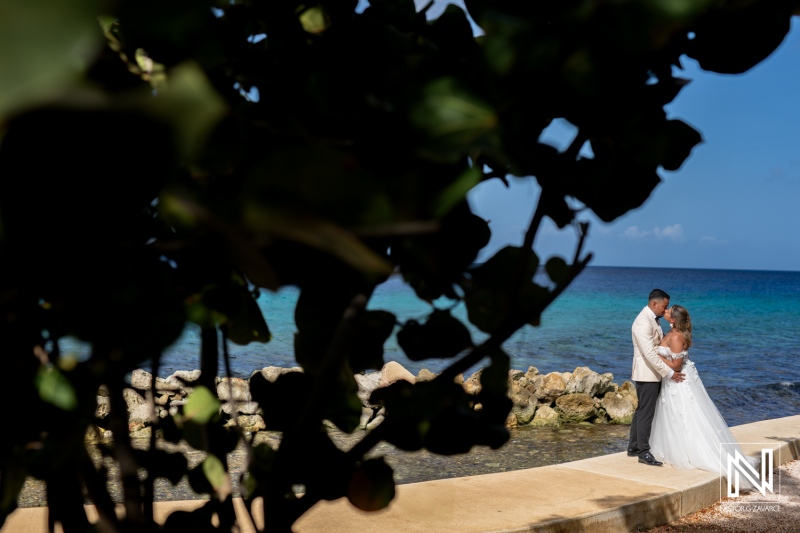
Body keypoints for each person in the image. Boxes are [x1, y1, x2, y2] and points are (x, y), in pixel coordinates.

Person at [649, 305, 758, 482]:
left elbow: (676, 365)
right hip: (673, 380)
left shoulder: (676, 336)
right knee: (674, 415)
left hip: (679, 380)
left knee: (686, 414)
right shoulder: (672, 332)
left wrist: (655, 355)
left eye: (669, 311)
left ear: (674, 319)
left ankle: (694, 452)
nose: (666, 312)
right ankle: (676, 449)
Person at [627, 289, 685, 466]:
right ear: (654, 304)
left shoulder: (652, 319)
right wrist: (670, 373)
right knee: (646, 413)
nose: (664, 310)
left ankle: (634, 446)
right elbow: (650, 354)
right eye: (664, 306)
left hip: (650, 372)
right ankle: (644, 452)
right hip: (647, 373)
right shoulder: (643, 323)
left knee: (642, 410)